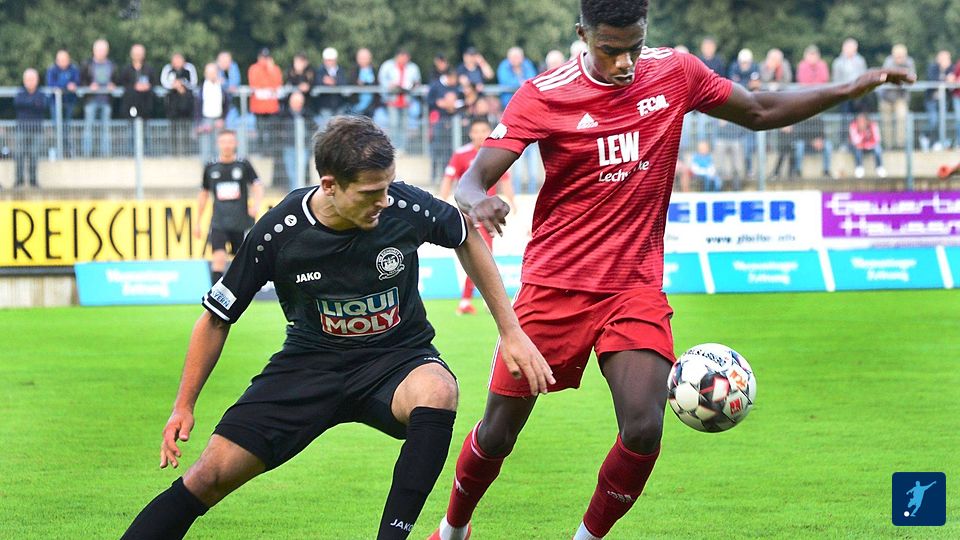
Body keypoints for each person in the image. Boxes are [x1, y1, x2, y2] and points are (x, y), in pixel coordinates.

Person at [428, 1, 913, 539]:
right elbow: (471, 181)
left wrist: (850, 88)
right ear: (582, 34)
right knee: (497, 434)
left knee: (643, 427)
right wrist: (479, 201)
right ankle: (452, 530)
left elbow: (758, 110)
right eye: (610, 50)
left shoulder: (675, 72)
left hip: (634, 288)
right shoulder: (544, 94)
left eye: (633, 47)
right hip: (555, 285)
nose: (624, 63)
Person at [120, 115, 551, 540]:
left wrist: (510, 330)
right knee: (208, 476)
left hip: (396, 360)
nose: (384, 201)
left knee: (438, 390)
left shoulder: (404, 206)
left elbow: (464, 235)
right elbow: (217, 318)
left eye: (387, 186)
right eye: (370, 192)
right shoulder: (279, 232)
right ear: (330, 185)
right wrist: (183, 405)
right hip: (308, 366)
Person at [439, 117, 515, 315]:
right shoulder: (461, 154)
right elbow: (448, 178)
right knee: (481, 256)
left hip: (488, 215)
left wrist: (512, 201)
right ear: (470, 133)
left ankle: (470, 300)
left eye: (484, 131)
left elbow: (505, 180)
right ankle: (473, 300)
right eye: (476, 131)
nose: (480, 135)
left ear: (489, 132)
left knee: (482, 256)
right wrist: (442, 201)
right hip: (469, 213)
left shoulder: (495, 153)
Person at [192, 130, 264, 284]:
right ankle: (216, 294)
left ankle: (242, 292)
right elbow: (204, 193)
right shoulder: (211, 166)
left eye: (230, 142)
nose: (227, 145)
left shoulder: (243, 164)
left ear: (236, 143)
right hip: (219, 222)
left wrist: (256, 205)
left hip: (241, 222)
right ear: (218, 144)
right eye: (224, 142)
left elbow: (257, 185)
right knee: (218, 258)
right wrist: (197, 222)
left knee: (243, 261)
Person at [379, 49, 422, 152]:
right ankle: (393, 147)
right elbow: (382, 79)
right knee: (393, 124)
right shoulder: (387, 66)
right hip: (392, 100)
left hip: (406, 100)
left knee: (404, 125)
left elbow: (417, 81)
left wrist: (413, 85)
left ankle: (402, 148)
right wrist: (390, 85)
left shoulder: (413, 68)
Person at [80, 38, 115, 157]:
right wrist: (89, 86)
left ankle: (106, 154)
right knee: (88, 127)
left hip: (106, 100)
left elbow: (117, 79)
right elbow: (82, 80)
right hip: (91, 100)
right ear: (94, 51)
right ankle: (87, 154)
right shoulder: (87, 64)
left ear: (107, 51)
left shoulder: (112, 65)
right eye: (99, 50)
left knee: (106, 128)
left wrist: (113, 85)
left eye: (103, 50)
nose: (101, 52)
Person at [14, 68, 47, 188]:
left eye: (32, 79)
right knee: (19, 155)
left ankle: (33, 181)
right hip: (22, 129)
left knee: (34, 155)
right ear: (24, 80)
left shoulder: (41, 94)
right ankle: (19, 181)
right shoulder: (20, 93)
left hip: (37, 130)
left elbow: (42, 105)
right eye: (28, 79)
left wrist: (28, 103)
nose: (30, 82)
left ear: (37, 80)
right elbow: (18, 104)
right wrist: (33, 103)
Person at [879, 44, 915, 149]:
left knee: (902, 118)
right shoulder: (888, 62)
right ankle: (888, 146)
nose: (899, 58)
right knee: (886, 122)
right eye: (897, 56)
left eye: (901, 56)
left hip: (901, 96)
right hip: (886, 96)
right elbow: (884, 78)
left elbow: (911, 78)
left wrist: (899, 79)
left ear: (905, 55)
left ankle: (900, 145)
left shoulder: (909, 62)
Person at [45, 50, 80, 156]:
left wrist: (71, 85)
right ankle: (58, 150)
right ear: (57, 60)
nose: (63, 62)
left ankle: (67, 150)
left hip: (69, 102)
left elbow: (77, 82)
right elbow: (51, 84)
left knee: (67, 127)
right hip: (55, 103)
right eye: (61, 60)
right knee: (57, 127)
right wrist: (66, 86)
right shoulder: (52, 70)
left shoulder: (73, 69)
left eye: (65, 59)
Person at [197, 63, 229, 164]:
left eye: (213, 72)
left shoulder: (222, 87)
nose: (211, 75)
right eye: (209, 73)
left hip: (219, 119)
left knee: (219, 147)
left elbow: (226, 104)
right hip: (205, 119)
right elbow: (197, 106)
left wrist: (222, 118)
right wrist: (199, 123)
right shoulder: (202, 88)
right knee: (205, 147)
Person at [116, 43, 156, 120]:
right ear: (132, 55)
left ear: (143, 55)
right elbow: (121, 83)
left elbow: (154, 83)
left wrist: (148, 86)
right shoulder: (126, 70)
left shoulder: (150, 69)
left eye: (139, 54)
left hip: (146, 106)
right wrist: (134, 86)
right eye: (136, 54)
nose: (138, 56)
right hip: (130, 105)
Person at [924, 50, 954, 150]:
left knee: (942, 121)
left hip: (944, 100)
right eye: (942, 58)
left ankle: (937, 142)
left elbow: (953, 80)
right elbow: (933, 79)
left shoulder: (951, 68)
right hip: (931, 99)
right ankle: (925, 136)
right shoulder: (932, 67)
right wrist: (946, 78)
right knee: (933, 120)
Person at [849, 112, 886, 178]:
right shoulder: (853, 125)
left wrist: (868, 145)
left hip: (870, 145)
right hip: (859, 146)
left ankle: (879, 167)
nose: (861, 123)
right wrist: (862, 133)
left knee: (878, 149)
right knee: (857, 149)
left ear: (866, 121)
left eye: (863, 121)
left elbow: (877, 139)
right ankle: (859, 168)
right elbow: (854, 140)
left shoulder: (873, 125)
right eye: (859, 121)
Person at [316, 47, 348, 122]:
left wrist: (334, 82)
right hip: (325, 105)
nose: (329, 62)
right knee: (327, 126)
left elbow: (344, 82)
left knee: (340, 126)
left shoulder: (341, 70)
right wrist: (325, 82)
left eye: (331, 60)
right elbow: (317, 82)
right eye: (327, 60)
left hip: (340, 105)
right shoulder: (320, 71)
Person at [351, 47, 381, 117]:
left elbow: (377, 84)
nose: (363, 60)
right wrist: (357, 83)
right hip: (357, 105)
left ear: (370, 58)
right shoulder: (354, 70)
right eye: (361, 58)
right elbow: (351, 82)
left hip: (371, 105)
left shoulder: (374, 70)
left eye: (365, 58)